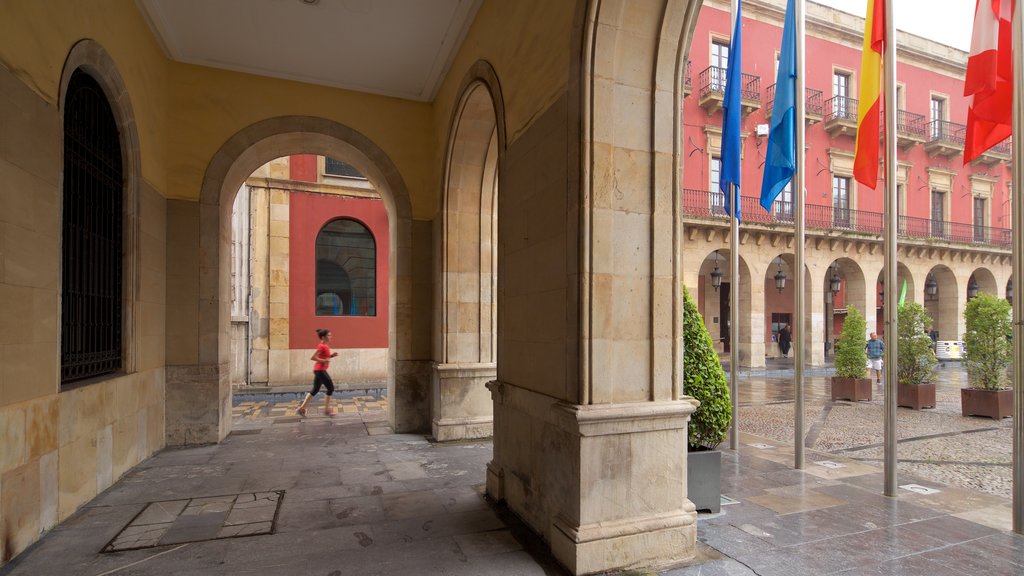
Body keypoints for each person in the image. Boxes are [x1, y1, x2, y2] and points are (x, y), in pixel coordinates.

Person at [296, 328, 338, 417]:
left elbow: (325, 357)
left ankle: (302, 409)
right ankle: (327, 410)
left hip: (319, 370)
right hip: (320, 370)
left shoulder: (325, 346)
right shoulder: (321, 346)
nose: (331, 337)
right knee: (330, 388)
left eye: (330, 335)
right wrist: (323, 361)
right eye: (329, 335)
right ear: (323, 337)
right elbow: (313, 357)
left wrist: (331, 356)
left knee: (315, 390)